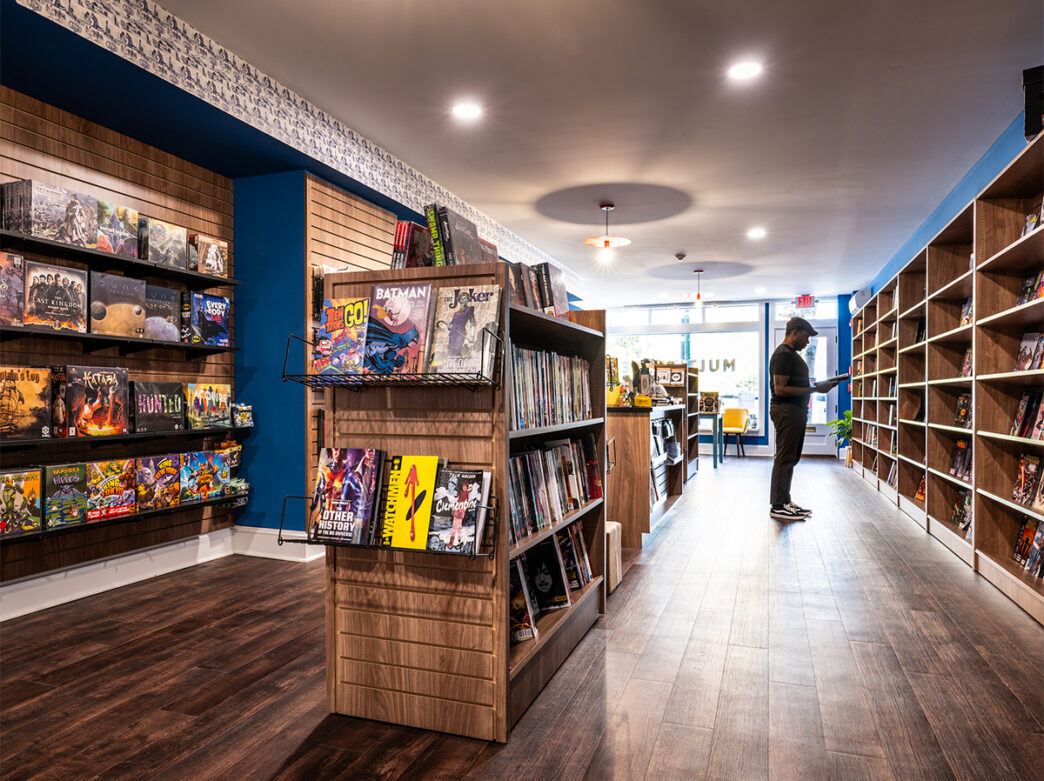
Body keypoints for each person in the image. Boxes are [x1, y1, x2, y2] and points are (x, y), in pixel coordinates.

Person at [769, 316, 843, 520]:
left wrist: (818, 386)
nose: (808, 341)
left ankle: (784, 500)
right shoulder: (783, 354)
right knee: (785, 457)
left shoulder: (790, 355)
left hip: (793, 410)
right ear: (795, 332)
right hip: (786, 410)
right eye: (806, 336)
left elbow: (793, 384)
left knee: (791, 458)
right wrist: (815, 389)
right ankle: (777, 505)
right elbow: (781, 389)